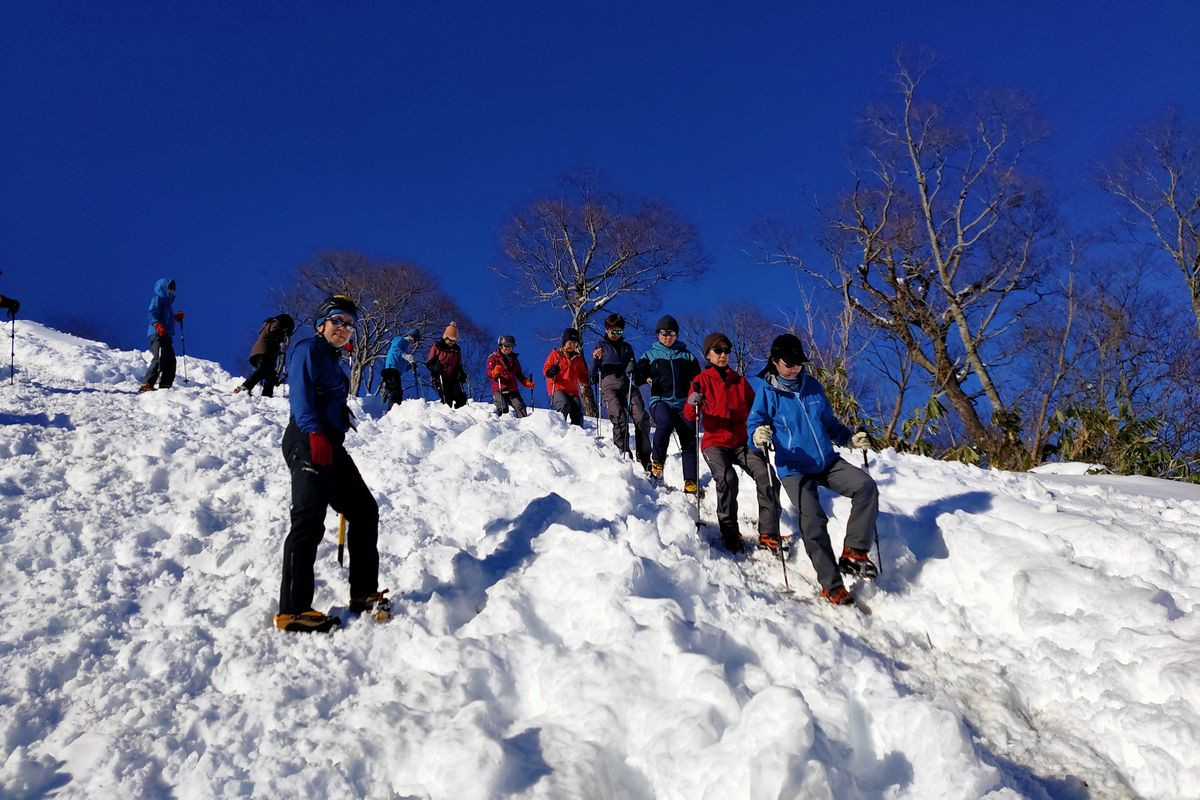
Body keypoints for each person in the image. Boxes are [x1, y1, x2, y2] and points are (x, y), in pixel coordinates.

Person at [275, 295, 389, 633]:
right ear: (321, 324)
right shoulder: (308, 349)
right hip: (307, 438)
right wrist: (314, 434)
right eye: (337, 321)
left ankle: (363, 593)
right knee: (309, 520)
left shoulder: (337, 364)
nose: (344, 329)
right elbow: (301, 395)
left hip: (331, 445)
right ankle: (293, 609)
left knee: (365, 510)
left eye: (350, 325)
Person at [746, 333, 877, 606]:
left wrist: (850, 439)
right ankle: (832, 585)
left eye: (799, 362)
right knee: (812, 520)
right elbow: (753, 425)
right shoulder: (767, 393)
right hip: (794, 468)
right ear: (774, 361)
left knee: (865, 486)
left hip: (826, 461)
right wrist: (758, 435)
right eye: (789, 363)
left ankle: (854, 551)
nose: (795, 368)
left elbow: (829, 424)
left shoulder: (813, 386)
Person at [683, 332, 780, 553]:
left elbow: (757, 410)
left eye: (727, 351)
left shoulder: (739, 381)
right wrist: (692, 402)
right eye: (718, 350)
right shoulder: (701, 380)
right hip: (715, 442)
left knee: (767, 475)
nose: (723, 354)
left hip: (741, 442)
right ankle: (729, 531)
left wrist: (762, 428)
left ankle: (768, 532)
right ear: (708, 354)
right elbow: (690, 415)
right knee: (727, 478)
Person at [633, 314, 701, 492]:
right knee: (664, 423)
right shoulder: (650, 355)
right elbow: (637, 377)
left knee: (689, 439)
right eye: (663, 333)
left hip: (683, 403)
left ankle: (691, 481)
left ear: (677, 335)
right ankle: (657, 462)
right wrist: (637, 373)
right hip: (660, 400)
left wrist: (698, 394)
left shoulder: (687, 356)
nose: (667, 337)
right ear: (657, 335)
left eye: (671, 333)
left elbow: (698, 380)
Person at [591, 313, 651, 469]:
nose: (616, 335)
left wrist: (635, 370)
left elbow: (634, 369)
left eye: (619, 332)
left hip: (626, 383)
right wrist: (596, 360)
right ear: (607, 329)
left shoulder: (627, 348)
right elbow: (593, 374)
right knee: (619, 416)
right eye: (613, 332)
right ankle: (623, 451)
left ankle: (644, 456)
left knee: (641, 416)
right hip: (609, 383)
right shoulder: (601, 346)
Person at [139, 278, 184, 393]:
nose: (172, 291)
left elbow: (166, 319)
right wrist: (158, 326)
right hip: (157, 333)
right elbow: (151, 313)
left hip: (166, 335)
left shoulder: (168, 305)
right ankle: (147, 384)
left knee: (170, 361)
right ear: (164, 287)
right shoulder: (158, 297)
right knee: (160, 357)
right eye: (170, 288)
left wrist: (175, 318)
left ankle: (165, 387)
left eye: (173, 289)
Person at [235, 314, 294, 397]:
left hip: (264, 355)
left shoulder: (271, 325)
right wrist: (282, 339)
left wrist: (280, 348)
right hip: (263, 353)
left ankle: (267, 396)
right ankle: (245, 386)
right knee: (263, 369)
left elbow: (274, 342)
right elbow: (274, 333)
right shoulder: (275, 323)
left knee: (271, 377)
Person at [543, 327, 590, 426]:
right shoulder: (555, 354)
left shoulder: (577, 358)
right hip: (557, 388)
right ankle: (558, 428)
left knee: (577, 410)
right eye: (570, 342)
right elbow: (546, 369)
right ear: (564, 342)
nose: (572, 345)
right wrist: (551, 371)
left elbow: (582, 374)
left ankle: (577, 433)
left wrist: (588, 380)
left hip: (572, 391)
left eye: (575, 343)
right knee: (564, 404)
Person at [487, 334, 534, 418]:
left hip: (512, 389)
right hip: (499, 388)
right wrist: (494, 372)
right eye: (506, 346)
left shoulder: (514, 360)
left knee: (520, 406)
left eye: (511, 346)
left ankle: (523, 425)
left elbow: (519, 374)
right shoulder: (493, 357)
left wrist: (526, 382)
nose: (508, 348)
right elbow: (489, 372)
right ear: (501, 345)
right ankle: (500, 426)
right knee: (503, 408)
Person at [425, 321, 468, 408]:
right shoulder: (437, 346)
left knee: (461, 398)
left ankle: (459, 417)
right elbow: (429, 362)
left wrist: (462, 374)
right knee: (447, 398)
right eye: (450, 340)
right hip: (440, 376)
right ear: (445, 337)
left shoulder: (456, 349)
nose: (452, 342)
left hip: (453, 377)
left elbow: (459, 364)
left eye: (454, 340)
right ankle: (446, 417)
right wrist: (435, 367)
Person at [381, 328, 421, 409]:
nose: (415, 342)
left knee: (397, 391)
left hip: (396, 372)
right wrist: (406, 356)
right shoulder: (399, 339)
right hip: (391, 369)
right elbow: (395, 350)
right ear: (411, 336)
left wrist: (411, 366)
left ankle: (387, 390)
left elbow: (404, 368)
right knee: (396, 392)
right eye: (415, 339)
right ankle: (393, 412)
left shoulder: (406, 349)